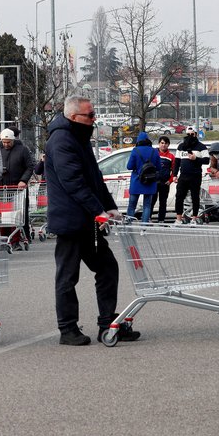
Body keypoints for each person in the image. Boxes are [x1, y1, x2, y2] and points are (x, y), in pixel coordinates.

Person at [44, 96, 138, 346]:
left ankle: (108, 323)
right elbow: (73, 182)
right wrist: (98, 210)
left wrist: (109, 207)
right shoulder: (62, 140)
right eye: (90, 115)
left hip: (87, 221)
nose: (94, 119)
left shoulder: (78, 137)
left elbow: (94, 179)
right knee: (67, 277)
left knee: (107, 268)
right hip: (70, 222)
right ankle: (67, 329)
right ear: (74, 117)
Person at [0, 128, 34, 239]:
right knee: (3, 213)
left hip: (18, 187)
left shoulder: (22, 150)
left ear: (13, 140)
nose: (6, 144)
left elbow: (29, 167)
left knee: (20, 213)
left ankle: (24, 236)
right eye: (4, 142)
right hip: (2, 187)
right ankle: (5, 237)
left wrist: (23, 180)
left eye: (8, 142)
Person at [173, 126, 209, 225]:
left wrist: (196, 158)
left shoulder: (201, 146)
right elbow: (177, 162)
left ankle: (194, 218)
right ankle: (179, 219)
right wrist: (174, 175)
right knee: (179, 196)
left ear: (196, 134)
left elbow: (206, 160)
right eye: (188, 134)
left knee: (195, 197)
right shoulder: (181, 146)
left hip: (195, 176)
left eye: (192, 134)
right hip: (183, 175)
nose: (190, 136)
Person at [125, 132, 161, 223]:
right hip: (150, 181)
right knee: (147, 206)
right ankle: (144, 227)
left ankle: (129, 224)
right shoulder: (154, 151)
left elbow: (129, 166)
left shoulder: (135, 150)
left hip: (136, 181)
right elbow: (159, 167)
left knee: (132, 205)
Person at [150, 136, 175, 223]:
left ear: (168, 145)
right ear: (159, 144)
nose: (163, 145)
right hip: (154, 182)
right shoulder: (153, 154)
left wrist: (170, 180)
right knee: (151, 201)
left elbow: (174, 170)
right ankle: (148, 218)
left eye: (165, 143)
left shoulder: (171, 156)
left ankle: (161, 220)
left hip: (164, 183)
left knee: (163, 203)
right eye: (162, 143)